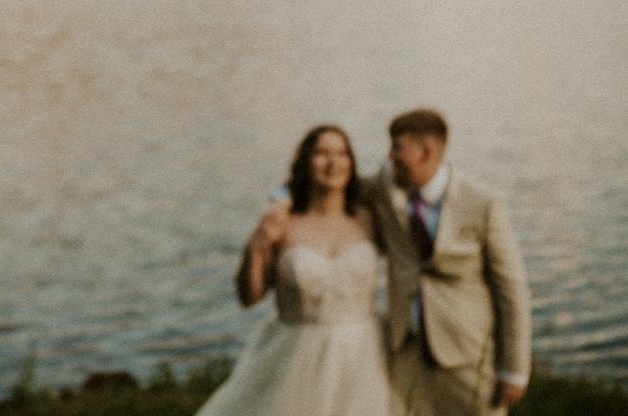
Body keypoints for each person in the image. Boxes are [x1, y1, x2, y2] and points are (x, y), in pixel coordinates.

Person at [195, 125, 390, 416]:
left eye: (342, 153)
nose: (333, 162)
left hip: (363, 353)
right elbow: (249, 297)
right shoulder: (283, 223)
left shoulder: (369, 220)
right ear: (306, 163)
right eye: (322, 153)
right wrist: (258, 246)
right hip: (298, 352)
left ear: (351, 163)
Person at [361, 108, 531, 416]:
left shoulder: (483, 204)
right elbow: (339, 187)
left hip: (466, 354)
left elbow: (512, 289)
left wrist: (515, 370)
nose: (389, 157)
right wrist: (284, 194)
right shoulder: (386, 188)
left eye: (397, 148)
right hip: (406, 353)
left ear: (426, 152)